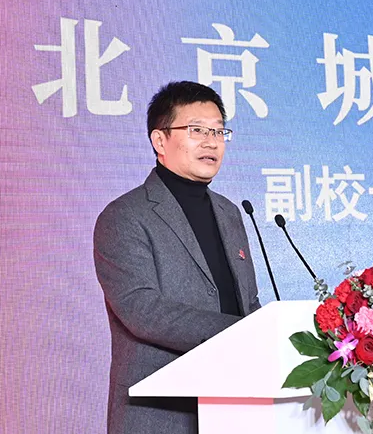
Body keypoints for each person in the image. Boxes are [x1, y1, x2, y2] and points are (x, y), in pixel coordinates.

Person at [93, 81, 261, 433]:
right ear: (160, 140)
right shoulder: (124, 216)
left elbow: (247, 303)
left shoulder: (230, 213)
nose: (211, 142)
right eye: (197, 130)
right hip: (162, 414)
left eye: (218, 131)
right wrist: (244, 333)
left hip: (236, 408)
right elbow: (142, 310)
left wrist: (271, 331)